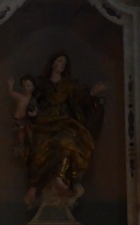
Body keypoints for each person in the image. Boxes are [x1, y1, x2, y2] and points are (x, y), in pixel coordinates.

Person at [23, 52, 106, 208]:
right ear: (52, 63)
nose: (62, 63)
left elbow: (82, 98)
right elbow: (33, 100)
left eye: (64, 62)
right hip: (45, 123)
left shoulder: (70, 85)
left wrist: (93, 93)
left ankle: (60, 177)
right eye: (59, 60)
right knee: (39, 146)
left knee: (68, 140)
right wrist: (32, 111)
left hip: (65, 123)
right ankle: (35, 186)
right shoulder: (42, 84)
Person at [7, 74, 37, 155]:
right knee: (20, 133)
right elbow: (11, 93)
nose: (26, 88)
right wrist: (10, 85)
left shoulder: (33, 99)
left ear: (33, 87)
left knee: (30, 132)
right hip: (18, 119)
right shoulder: (20, 96)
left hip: (27, 119)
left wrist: (34, 113)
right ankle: (21, 146)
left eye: (28, 86)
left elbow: (36, 108)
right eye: (24, 86)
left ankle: (32, 147)